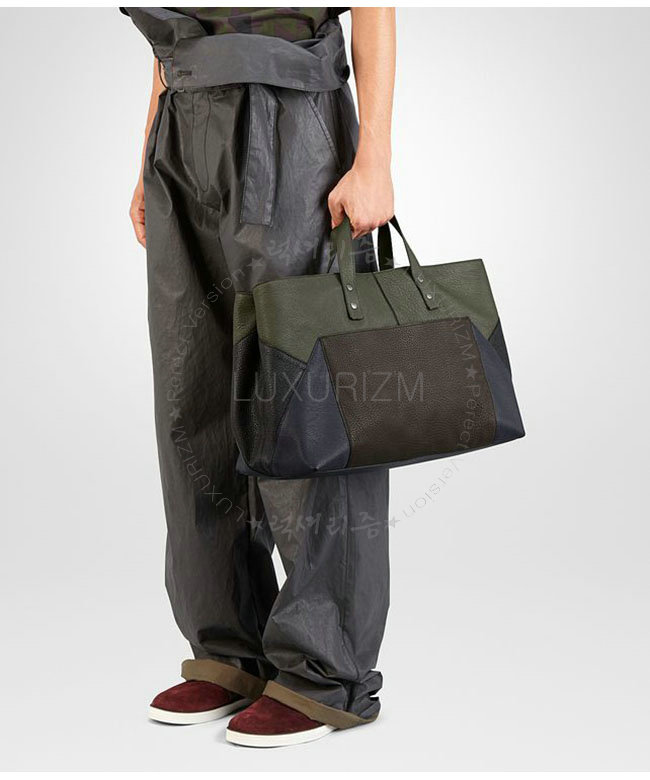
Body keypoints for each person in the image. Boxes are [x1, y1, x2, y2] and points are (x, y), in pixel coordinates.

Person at [124, 6, 395, 747]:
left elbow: (376, 7)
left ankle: (325, 668)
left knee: (305, 397)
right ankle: (229, 647)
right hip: (183, 125)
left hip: (293, 118)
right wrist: (148, 148)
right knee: (194, 393)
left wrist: (374, 156)